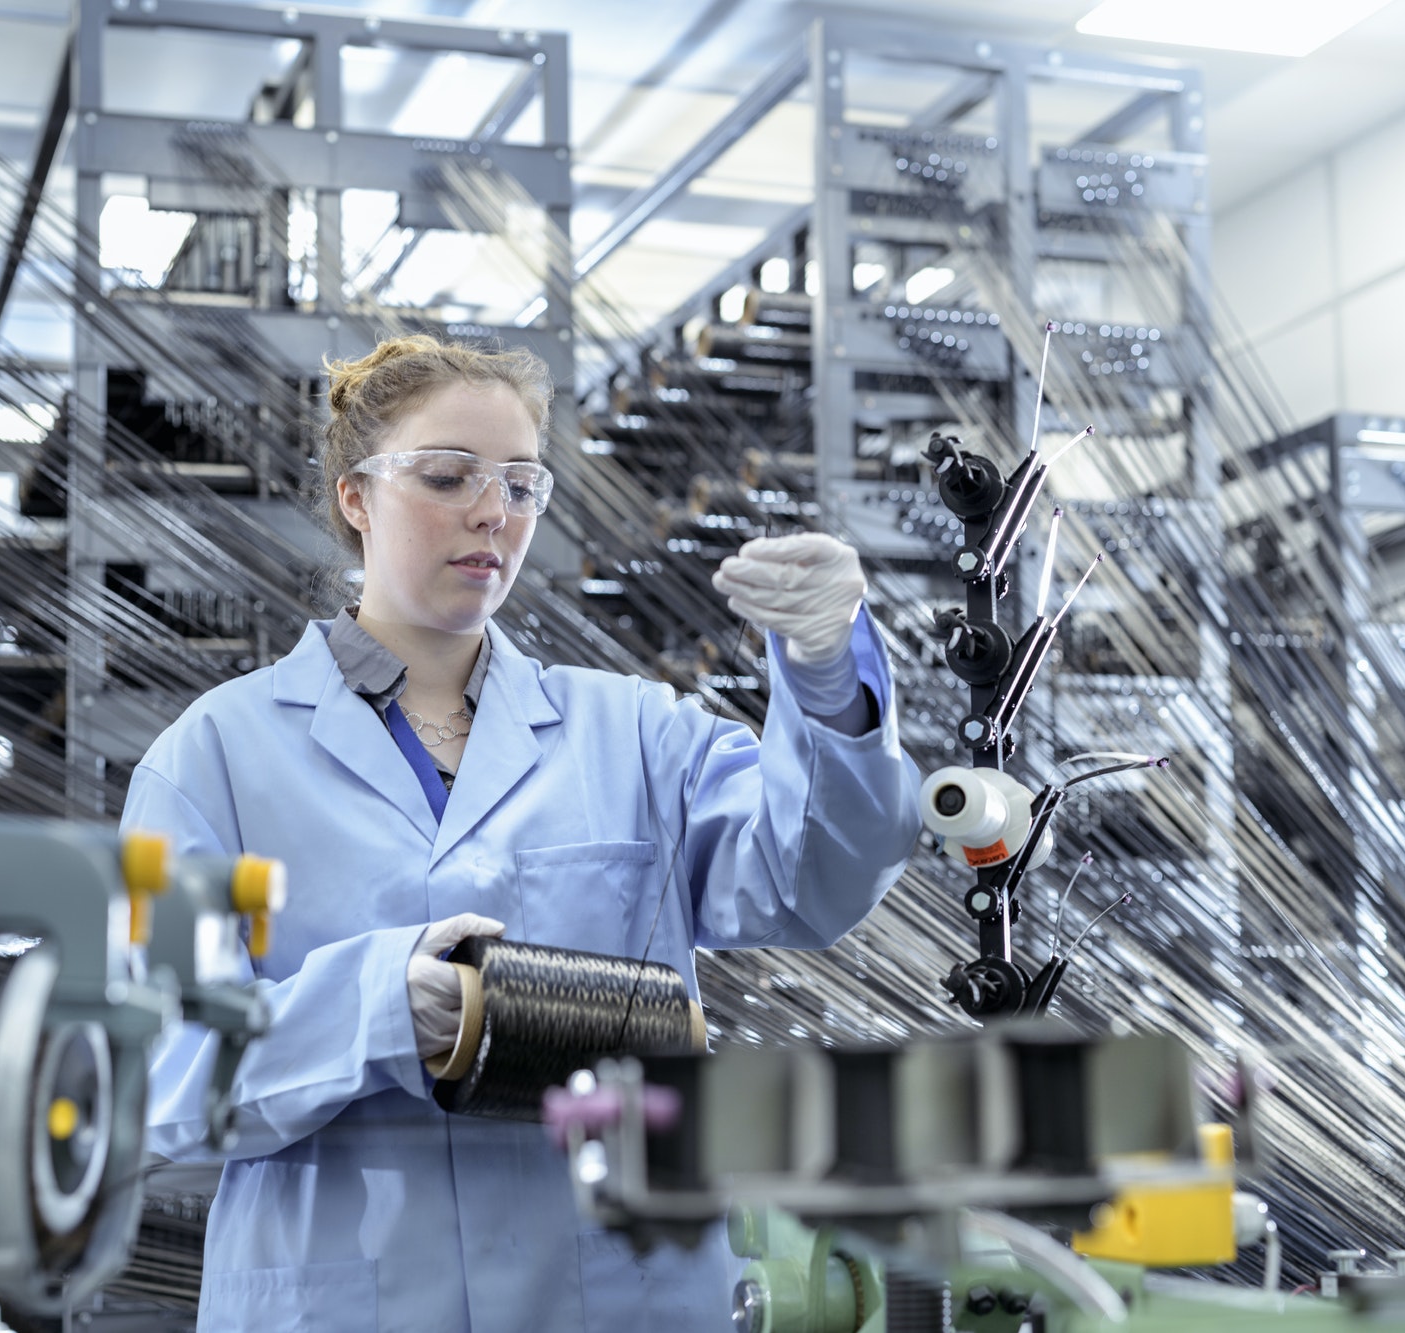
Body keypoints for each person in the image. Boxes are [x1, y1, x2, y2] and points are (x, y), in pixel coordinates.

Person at [125, 334, 920, 1332]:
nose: (492, 510)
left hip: (612, 1298)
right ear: (354, 496)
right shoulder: (210, 763)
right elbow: (155, 1077)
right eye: (448, 475)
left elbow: (815, 880)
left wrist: (825, 677)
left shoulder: (631, 732)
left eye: (521, 482)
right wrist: (378, 1007)